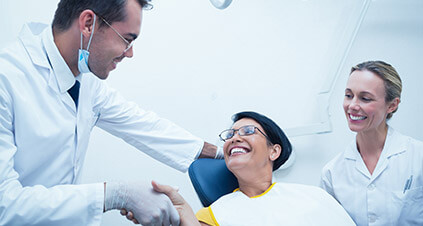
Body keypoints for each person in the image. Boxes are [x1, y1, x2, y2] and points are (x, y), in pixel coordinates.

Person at [0, 0, 221, 225]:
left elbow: (142, 124)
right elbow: (5, 206)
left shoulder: (85, 80)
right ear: (88, 24)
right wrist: (114, 195)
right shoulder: (6, 79)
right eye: (127, 39)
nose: (130, 53)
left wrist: (221, 152)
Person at [146, 111, 355, 225]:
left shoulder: (315, 196)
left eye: (248, 131)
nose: (235, 137)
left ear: (274, 151)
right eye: (230, 135)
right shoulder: (212, 216)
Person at [320, 60, 423, 225]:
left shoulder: (418, 157)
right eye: (348, 95)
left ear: (392, 105)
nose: (352, 105)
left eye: (365, 98)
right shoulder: (332, 173)